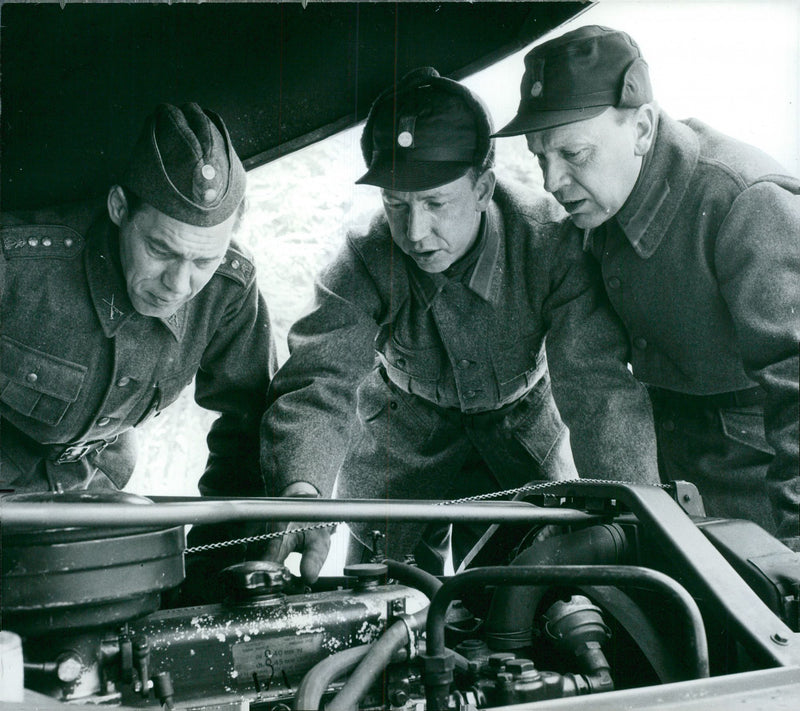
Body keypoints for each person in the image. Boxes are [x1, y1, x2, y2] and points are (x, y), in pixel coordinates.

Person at [261, 67, 659, 582]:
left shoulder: (551, 244)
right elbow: (321, 378)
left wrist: (636, 514)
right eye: (395, 204)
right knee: (380, 598)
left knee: (526, 598)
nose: (414, 232)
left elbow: (596, 390)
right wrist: (302, 492)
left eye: (436, 203)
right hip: (398, 452)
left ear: (483, 189)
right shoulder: (364, 256)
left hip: (520, 450)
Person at [493, 25, 800, 548]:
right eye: (540, 157)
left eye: (574, 154)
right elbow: (593, 378)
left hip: (762, 481)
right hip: (668, 468)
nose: (551, 182)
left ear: (641, 128)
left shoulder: (746, 202)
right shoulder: (599, 206)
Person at [0, 103, 276, 520]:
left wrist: (222, 553)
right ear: (119, 207)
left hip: (99, 496)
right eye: (161, 250)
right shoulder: (16, 266)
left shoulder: (229, 289)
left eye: (204, 261)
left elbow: (248, 428)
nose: (178, 285)